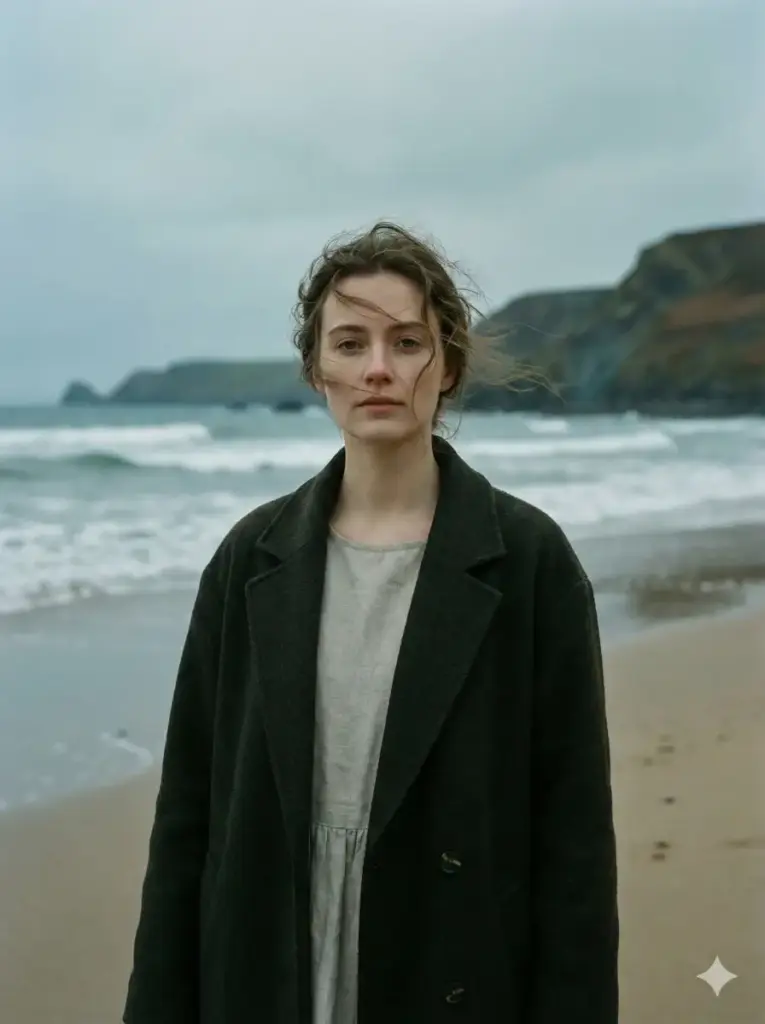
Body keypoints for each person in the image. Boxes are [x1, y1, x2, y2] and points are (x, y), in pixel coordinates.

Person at [122, 222, 619, 1023]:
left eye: (407, 341)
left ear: (448, 363)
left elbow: (574, 849)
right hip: (263, 962)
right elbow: (186, 823)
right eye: (349, 344)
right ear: (316, 371)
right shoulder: (251, 558)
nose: (378, 369)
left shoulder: (530, 562)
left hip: (450, 966)